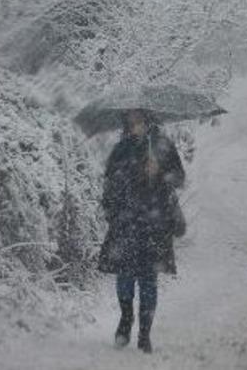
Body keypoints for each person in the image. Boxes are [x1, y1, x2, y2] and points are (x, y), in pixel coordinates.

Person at [97, 109, 186, 353]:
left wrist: (160, 172)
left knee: (149, 279)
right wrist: (114, 211)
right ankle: (126, 319)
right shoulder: (121, 149)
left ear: (148, 120)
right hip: (126, 223)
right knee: (125, 276)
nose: (135, 124)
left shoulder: (163, 146)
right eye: (131, 120)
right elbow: (109, 185)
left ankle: (145, 333)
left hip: (154, 223)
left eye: (139, 119)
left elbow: (179, 178)